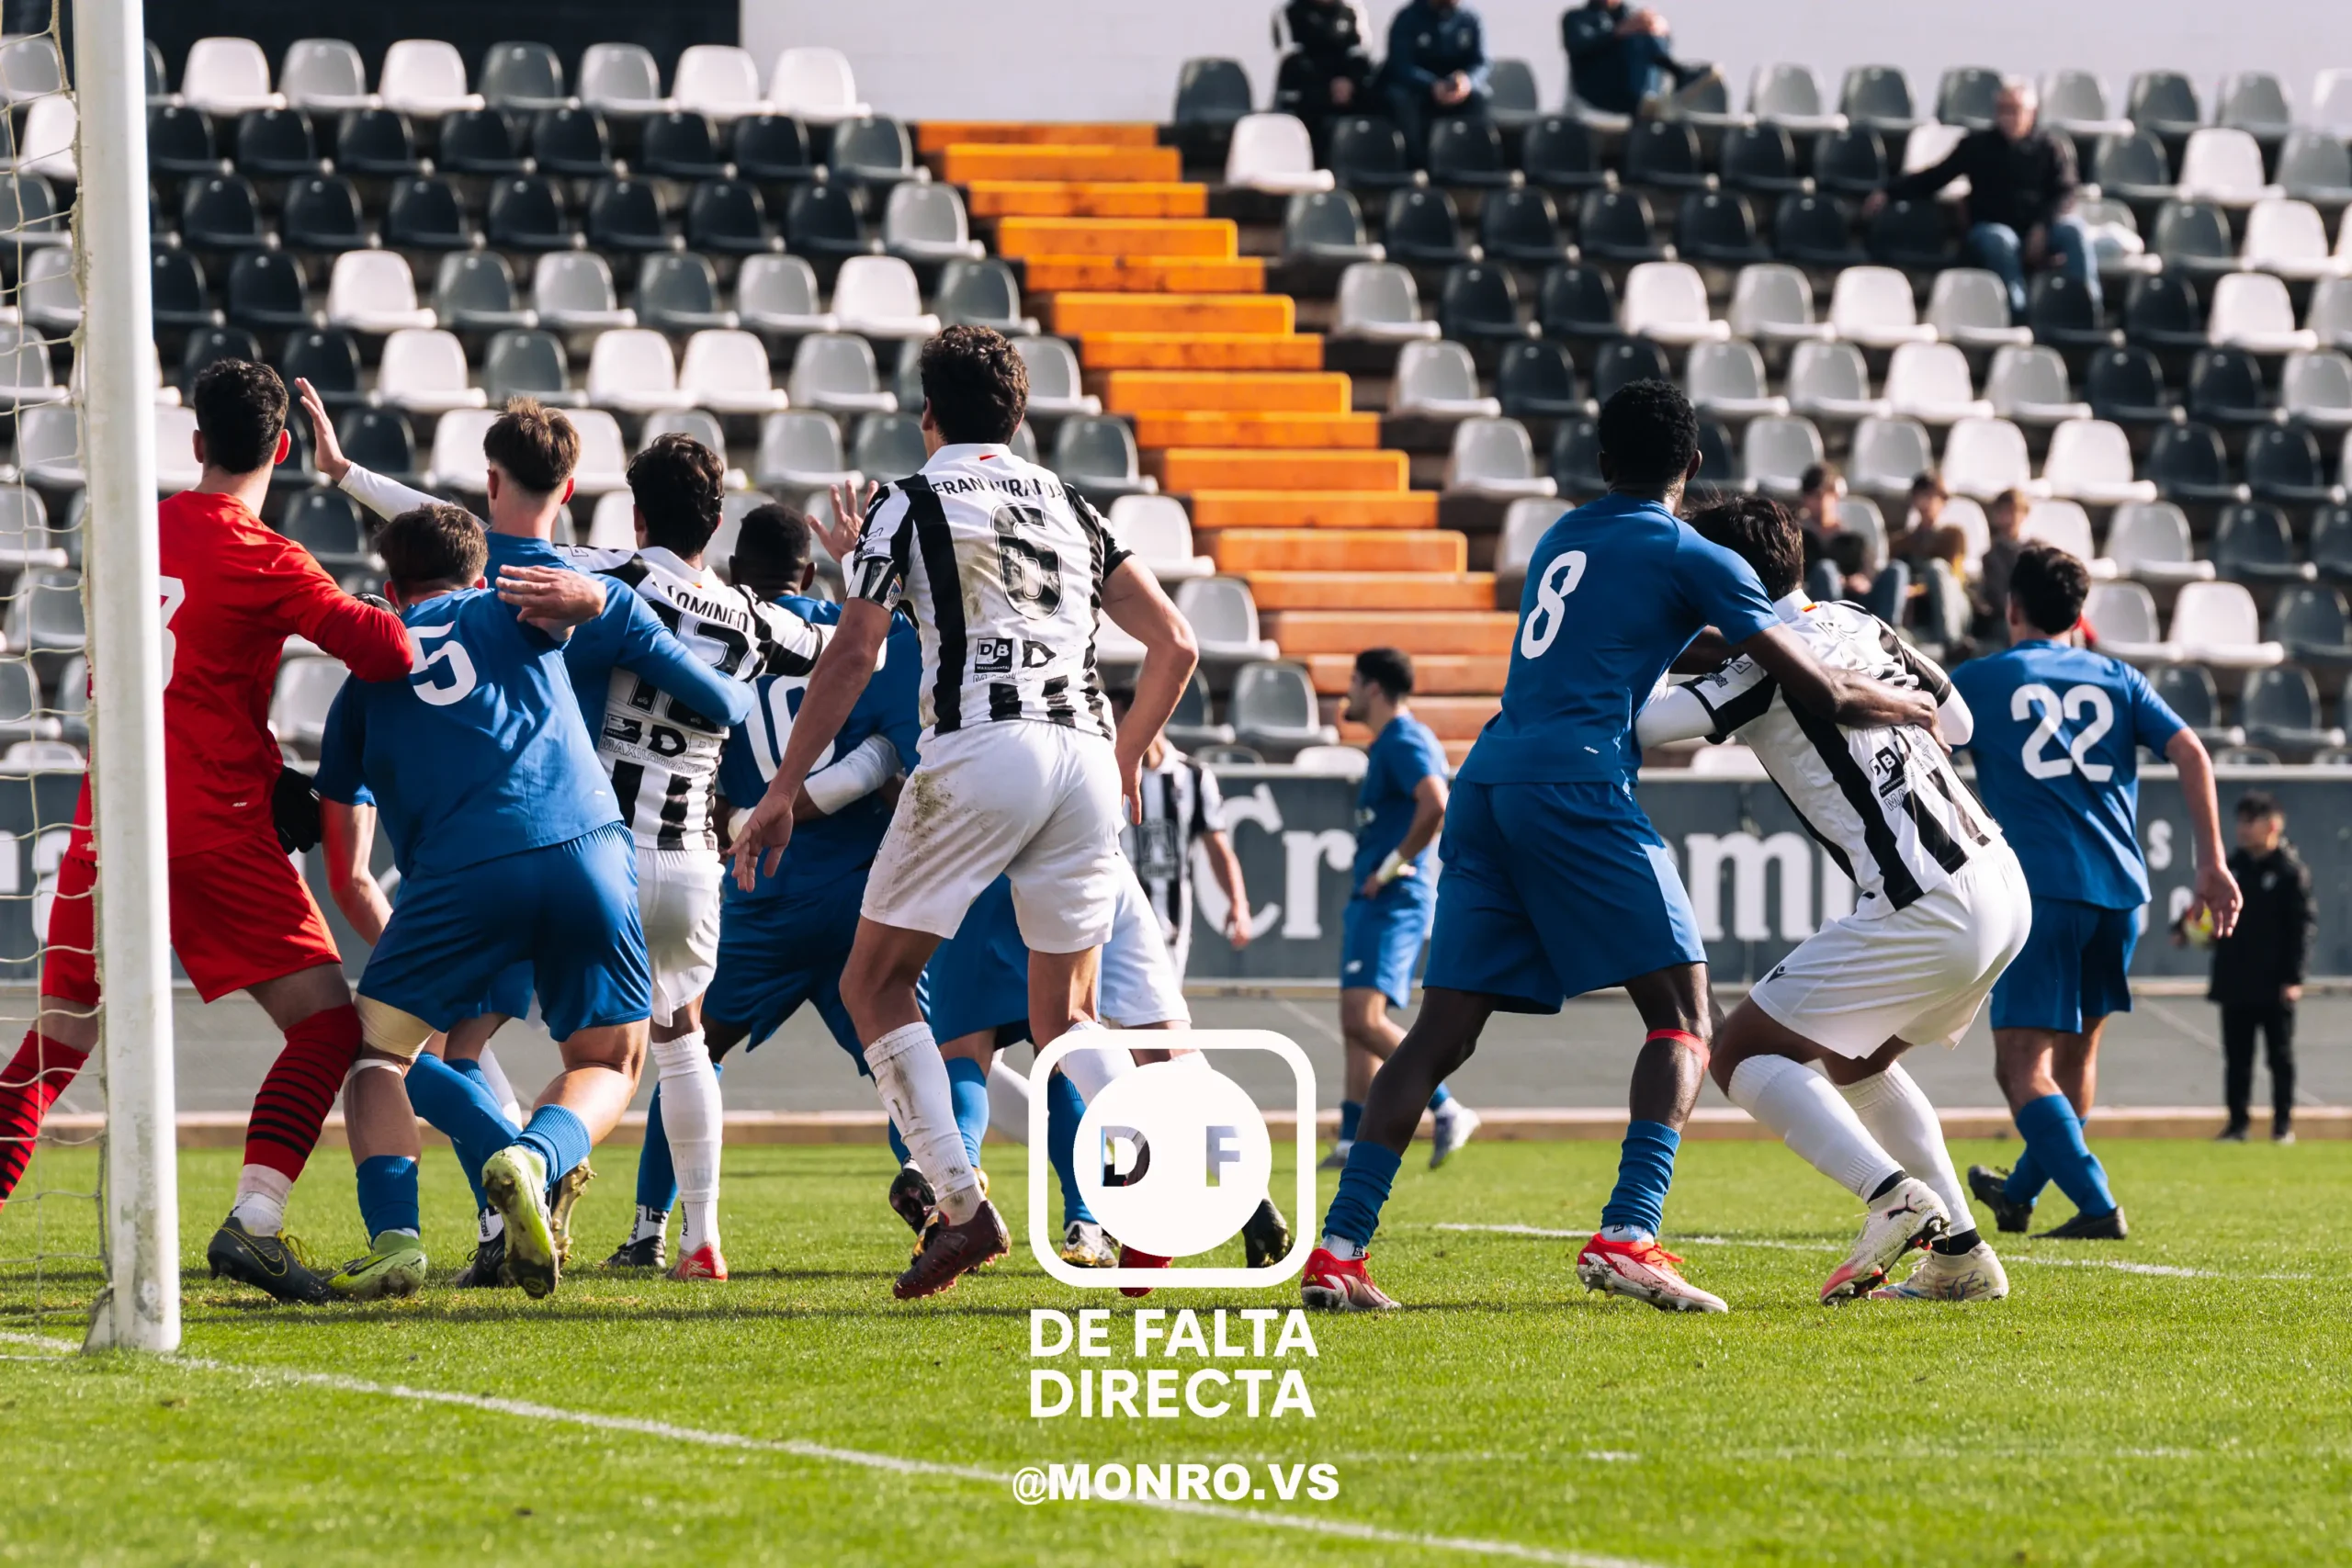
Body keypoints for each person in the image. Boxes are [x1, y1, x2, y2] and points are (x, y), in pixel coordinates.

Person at [1298, 380, 1936, 1315]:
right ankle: (1630, 1232)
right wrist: (1908, 701)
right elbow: (1821, 691)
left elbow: (1615, 637)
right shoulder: (1689, 549)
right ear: (1692, 466)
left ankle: (1341, 1251)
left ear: (1600, 463)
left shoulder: (1563, 535)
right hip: (1577, 781)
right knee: (1683, 1014)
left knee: (1440, 1031)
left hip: (1491, 776)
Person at [726, 324, 1199, 1301]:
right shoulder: (1072, 502)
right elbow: (1178, 646)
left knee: (875, 985)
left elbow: (852, 655)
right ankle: (1151, 1209)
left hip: (983, 747)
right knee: (1064, 1018)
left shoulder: (909, 500)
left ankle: (958, 1202)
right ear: (1020, 415)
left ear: (925, 412)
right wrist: (1122, 757)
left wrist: (780, 793)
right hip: (1079, 757)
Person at [306, 389, 775, 1287]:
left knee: (431, 1053)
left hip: (469, 859)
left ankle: (460, 1207)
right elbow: (728, 704)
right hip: (607, 843)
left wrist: (344, 475)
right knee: (634, 1055)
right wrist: (601, 606)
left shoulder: (443, 605)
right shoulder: (577, 585)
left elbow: (434, 534)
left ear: (488, 483)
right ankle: (557, 1178)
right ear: (575, 486)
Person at [0, 359, 416, 1306]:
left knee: (56, 1047)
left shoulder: (129, 529)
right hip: (212, 829)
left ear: (195, 445)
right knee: (326, 1025)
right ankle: (255, 1223)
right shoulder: (267, 555)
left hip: (107, 824)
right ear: (280, 449)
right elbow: (383, 651)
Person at [1638, 496, 2026, 1303]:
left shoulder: (1758, 668)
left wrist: (1642, 638)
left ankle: (1891, 1195)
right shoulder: (1859, 619)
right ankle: (1958, 1256)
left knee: (1740, 1051)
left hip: (1927, 902)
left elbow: (1643, 724)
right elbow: (1956, 722)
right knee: (1856, 1057)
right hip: (1997, 880)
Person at [311, 503, 654, 1302]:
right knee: (609, 1059)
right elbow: (618, 595)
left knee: (379, 1058)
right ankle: (533, 1159)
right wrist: (591, 601)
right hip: (585, 849)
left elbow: (341, 841)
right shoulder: (514, 604)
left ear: (392, 590)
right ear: (476, 574)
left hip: (459, 876)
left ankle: (396, 1240)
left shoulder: (366, 670)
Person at [605, 500, 922, 1271]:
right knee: (909, 1052)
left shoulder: (720, 631)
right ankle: (941, 1189)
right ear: (806, 570)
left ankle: (652, 1227)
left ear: (735, 569)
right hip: (857, 896)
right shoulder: (848, 634)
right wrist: (860, 572)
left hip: (756, 892)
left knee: (688, 1047)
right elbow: (893, 749)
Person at [1951, 544, 2242, 1241]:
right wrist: (2211, 863)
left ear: (2012, 608)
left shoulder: (1979, 681)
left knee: (2022, 1065)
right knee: (2077, 1057)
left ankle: (2098, 1204)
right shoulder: (2118, 676)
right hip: (2121, 892)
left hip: (2039, 891)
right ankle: (2019, 1193)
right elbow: (2192, 752)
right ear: (2081, 617)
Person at [1326, 648, 1478, 1173]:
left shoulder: (1404, 739)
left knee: (1363, 1018)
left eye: (1352, 681)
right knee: (1356, 1023)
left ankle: (1447, 1108)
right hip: (1378, 898)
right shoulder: (1392, 742)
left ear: (1372, 688)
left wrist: (1389, 867)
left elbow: (1435, 801)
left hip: (1391, 898)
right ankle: (1351, 1137)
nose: (1346, 692)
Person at [1865, 76, 2097, 318]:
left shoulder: (2051, 148)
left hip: (2040, 228)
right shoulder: (1977, 146)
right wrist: (1889, 191)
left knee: (2075, 231)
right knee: (2002, 240)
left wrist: (2042, 227)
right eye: (2003, 109)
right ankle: (2019, 313)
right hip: (1990, 230)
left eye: (2015, 110)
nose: (2008, 116)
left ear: (2032, 112)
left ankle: (2087, 307)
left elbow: (2067, 192)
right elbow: (1935, 177)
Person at [1110, 682, 1251, 979]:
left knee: (1161, 1020)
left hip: (1169, 926)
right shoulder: (1105, 775)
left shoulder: (1194, 777)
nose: (1112, 731)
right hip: (1112, 921)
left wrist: (1238, 902)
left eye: (1117, 721)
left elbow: (1218, 849)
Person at [2204, 791, 2311, 1143]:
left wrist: (2293, 978)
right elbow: (2209, 917)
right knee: (2237, 1058)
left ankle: (2283, 1126)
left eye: (2251, 821)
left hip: (2274, 982)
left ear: (2273, 826)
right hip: (2235, 979)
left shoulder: (2289, 872)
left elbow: (2302, 928)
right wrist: (2187, 930)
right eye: (2241, 820)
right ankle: (2237, 1124)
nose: (2243, 829)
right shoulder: (2232, 868)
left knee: (2279, 1058)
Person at [1379, 0, 1491, 166]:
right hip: (1418, 86)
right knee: (1400, 98)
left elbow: (1482, 62)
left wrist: (1468, 81)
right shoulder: (1407, 18)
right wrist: (1432, 85)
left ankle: (1473, 162)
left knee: (1480, 95)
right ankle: (1416, 164)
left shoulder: (1469, 19)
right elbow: (1400, 65)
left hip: (1455, 87)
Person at [1560, 0, 1717, 118]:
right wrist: (1620, 32)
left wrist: (1659, 30)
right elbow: (1579, 45)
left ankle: (1661, 87)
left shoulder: (1630, 17)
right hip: (1598, 90)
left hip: (1631, 88)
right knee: (1635, 42)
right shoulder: (1576, 18)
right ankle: (1673, 76)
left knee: (1648, 39)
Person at [1274, 0, 1376, 130]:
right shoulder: (1287, 13)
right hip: (1306, 94)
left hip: (1348, 92)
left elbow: (1361, 56)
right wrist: (1329, 86)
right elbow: (1291, 61)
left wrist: (1349, 82)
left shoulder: (1353, 11)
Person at [1973, 487, 2030, 646]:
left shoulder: (2037, 549)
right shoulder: (1991, 557)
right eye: (2004, 512)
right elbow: (1997, 598)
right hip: (2005, 619)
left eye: (2014, 511)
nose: (2010, 518)